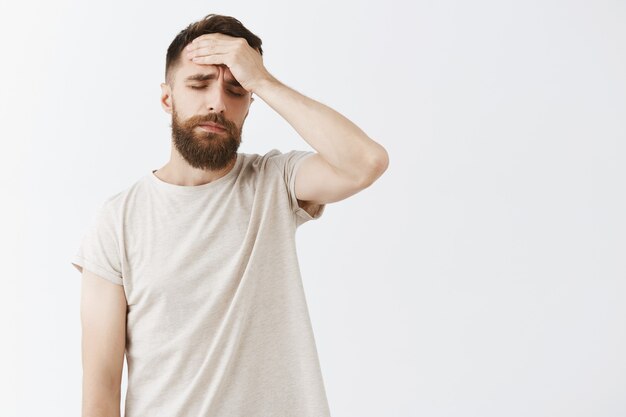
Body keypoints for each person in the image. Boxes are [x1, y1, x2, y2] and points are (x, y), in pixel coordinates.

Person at [72, 13, 388, 417]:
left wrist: (264, 80)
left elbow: (366, 162)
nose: (217, 103)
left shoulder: (274, 182)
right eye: (199, 84)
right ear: (167, 97)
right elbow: (100, 388)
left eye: (237, 89)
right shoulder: (118, 221)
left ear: (251, 104)